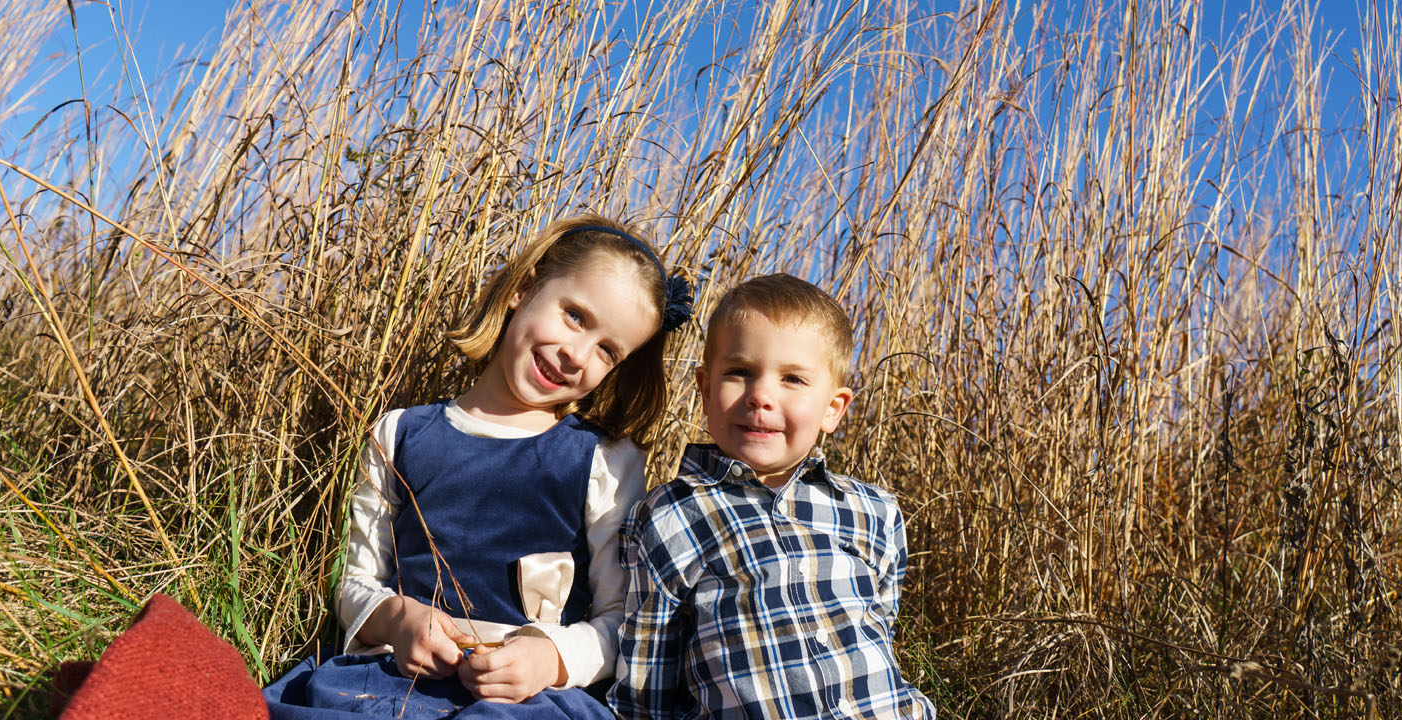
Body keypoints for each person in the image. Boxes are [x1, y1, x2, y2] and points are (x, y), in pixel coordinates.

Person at [265, 215, 692, 718]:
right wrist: (395, 619)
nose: (576, 354)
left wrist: (549, 658)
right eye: (575, 316)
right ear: (524, 288)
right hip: (390, 685)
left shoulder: (605, 460)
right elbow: (354, 581)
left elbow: (622, 619)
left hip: (530, 702)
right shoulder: (401, 434)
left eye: (606, 350)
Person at [609, 273, 935, 720]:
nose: (760, 395)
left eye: (793, 380)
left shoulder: (872, 511)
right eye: (739, 372)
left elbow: (879, 630)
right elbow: (646, 682)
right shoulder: (671, 515)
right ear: (704, 390)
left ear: (832, 409)